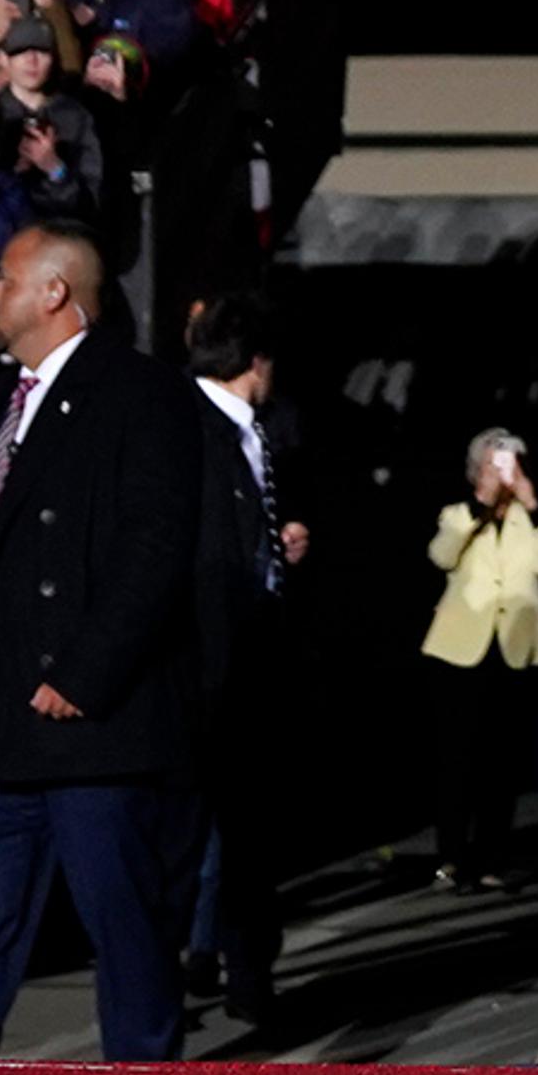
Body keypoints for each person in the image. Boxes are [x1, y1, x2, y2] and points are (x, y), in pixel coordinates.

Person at [0, 220, 206, 1060]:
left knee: (124, 925)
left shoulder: (143, 394)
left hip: (87, 719)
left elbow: (156, 547)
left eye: (2, 279)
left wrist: (86, 670)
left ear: (54, 293)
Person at [186, 292, 309, 1018]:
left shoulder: (255, 434)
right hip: (208, 661)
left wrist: (277, 551)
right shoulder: (191, 427)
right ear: (254, 361)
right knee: (212, 826)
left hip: (255, 645)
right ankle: (219, 961)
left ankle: (244, 967)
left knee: (247, 826)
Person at [423, 425, 538, 894]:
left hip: (515, 650)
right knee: (456, 760)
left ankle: (491, 857)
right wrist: (480, 506)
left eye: (507, 465)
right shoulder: (457, 515)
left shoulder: (536, 520)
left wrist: (529, 502)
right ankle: (451, 856)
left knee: (503, 762)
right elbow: (442, 556)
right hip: (460, 652)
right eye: (491, 465)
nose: (500, 473)